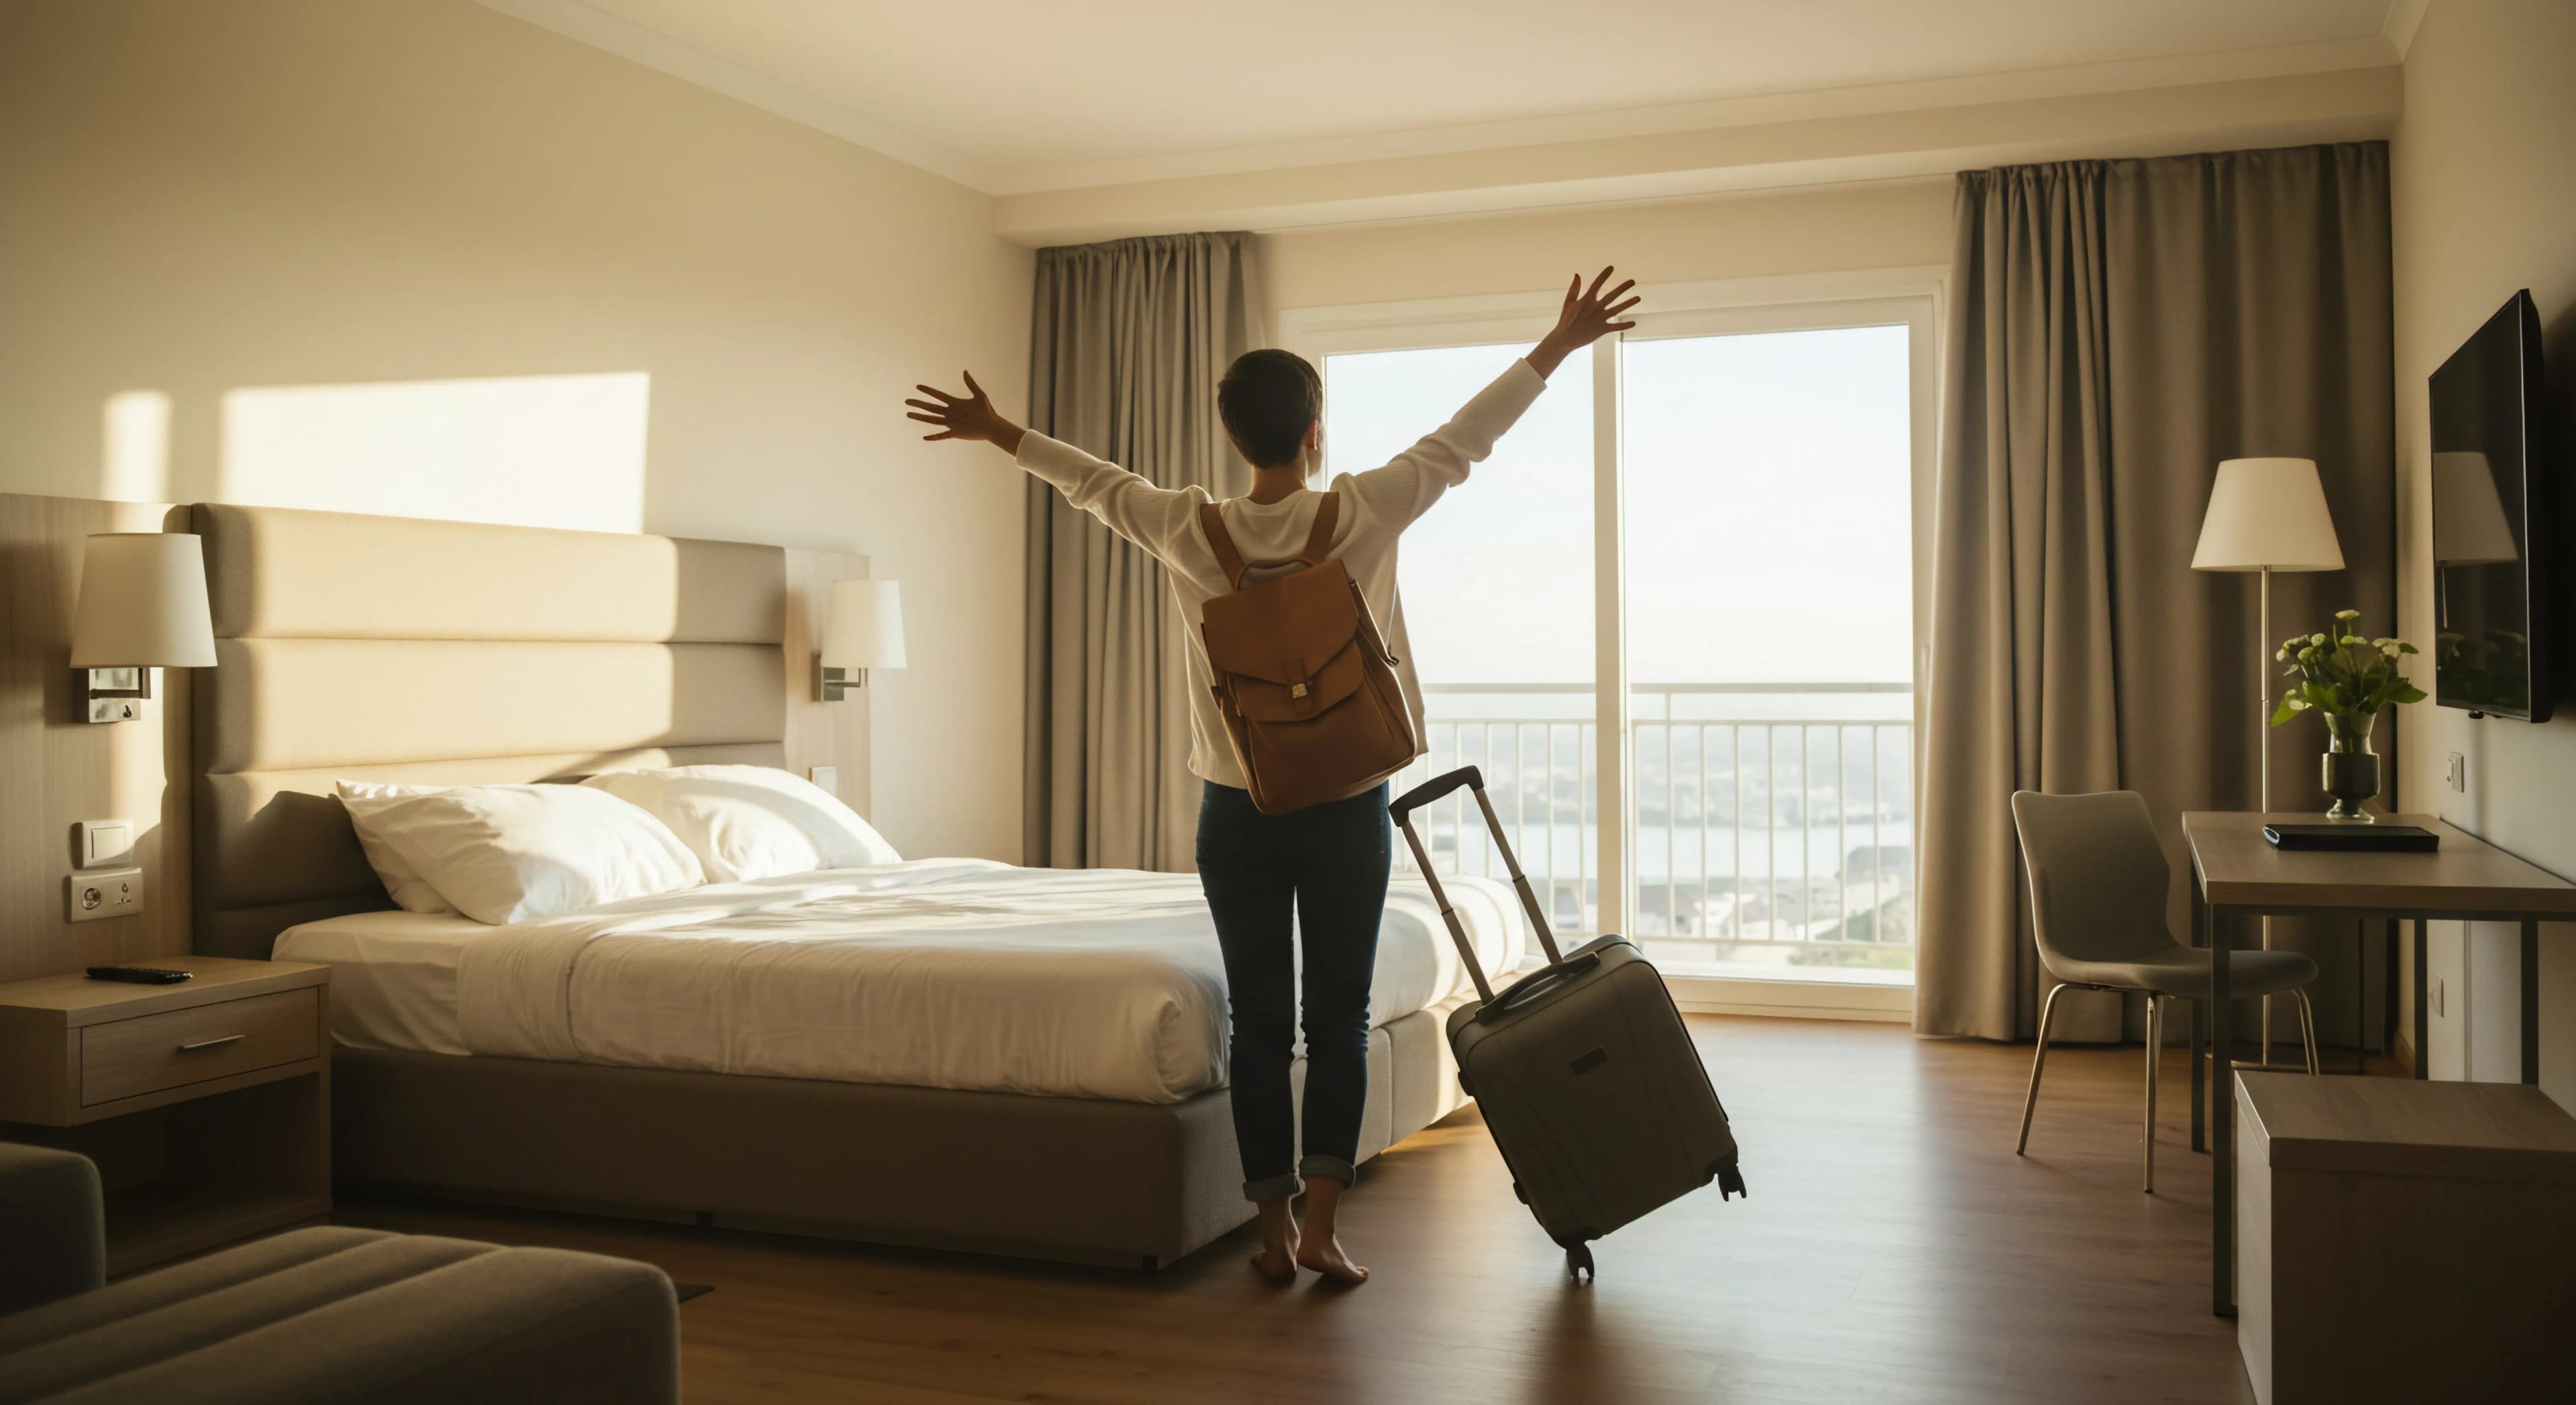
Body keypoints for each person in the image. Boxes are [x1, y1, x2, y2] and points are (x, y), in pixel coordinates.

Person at [904, 268, 1639, 1285]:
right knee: (1335, 1019)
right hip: (1346, 809)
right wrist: (1559, 344)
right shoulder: (1364, 512)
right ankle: (1329, 1227)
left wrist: (999, 431)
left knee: (1258, 1022)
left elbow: (1091, 480)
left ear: (1235, 436)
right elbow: (1467, 440)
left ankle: (1271, 1233)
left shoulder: (1183, 527)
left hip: (1235, 814)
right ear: (1313, 435)